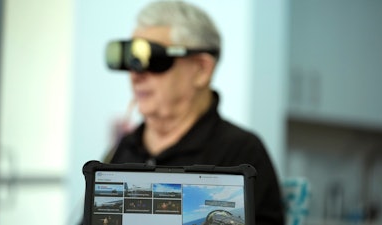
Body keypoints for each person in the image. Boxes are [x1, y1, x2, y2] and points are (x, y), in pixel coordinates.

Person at [106, 1, 285, 225]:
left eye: (152, 58)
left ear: (201, 69)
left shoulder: (241, 152)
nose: (135, 75)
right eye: (131, 60)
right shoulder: (126, 147)